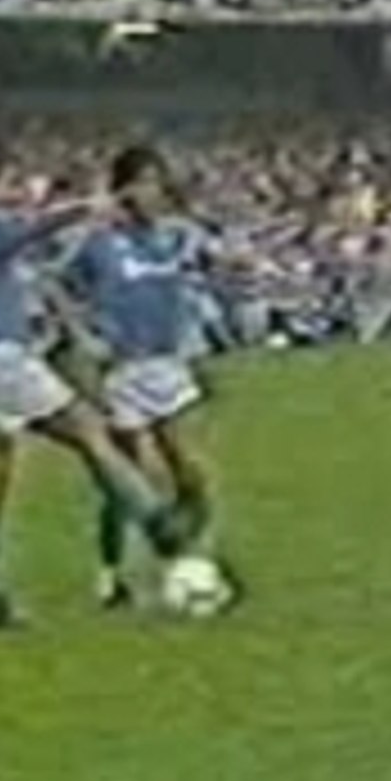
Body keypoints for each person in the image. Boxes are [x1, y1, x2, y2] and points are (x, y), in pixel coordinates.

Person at [0, 147, 193, 633]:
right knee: (93, 433)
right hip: (0, 358)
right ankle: (160, 524)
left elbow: (22, 252)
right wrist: (84, 207)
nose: (18, 193)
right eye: (10, 182)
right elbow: (27, 230)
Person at [54, 146, 230, 610]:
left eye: (158, 182)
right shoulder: (98, 241)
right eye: (146, 182)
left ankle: (194, 557)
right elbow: (53, 282)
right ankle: (112, 574)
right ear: (124, 189)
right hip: (122, 370)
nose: (155, 192)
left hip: (167, 363)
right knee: (130, 477)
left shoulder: (171, 236)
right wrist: (82, 335)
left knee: (190, 469)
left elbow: (188, 288)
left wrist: (195, 356)